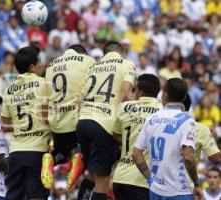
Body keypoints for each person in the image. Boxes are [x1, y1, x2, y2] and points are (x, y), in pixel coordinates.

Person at [76, 41, 136, 200]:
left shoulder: (93, 67)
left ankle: (80, 162)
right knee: (103, 179)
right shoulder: (126, 64)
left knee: (93, 174)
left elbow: (80, 99)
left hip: (83, 122)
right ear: (122, 53)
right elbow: (125, 94)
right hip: (103, 124)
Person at [132, 78, 203, 200]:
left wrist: (150, 179)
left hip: (155, 190)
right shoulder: (187, 120)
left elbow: (136, 153)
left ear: (165, 95)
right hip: (178, 191)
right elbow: (188, 158)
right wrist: (196, 184)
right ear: (184, 97)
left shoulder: (151, 118)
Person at [1, 45, 51, 200]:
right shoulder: (43, 84)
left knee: (13, 196)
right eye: (39, 63)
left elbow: (4, 126)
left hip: (15, 153)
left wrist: (21, 128)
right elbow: (46, 115)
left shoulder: (9, 90)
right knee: (37, 196)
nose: (42, 65)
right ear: (32, 67)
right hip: (37, 151)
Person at [44, 45, 96, 189]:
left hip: (56, 122)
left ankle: (51, 159)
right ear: (83, 53)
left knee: (61, 152)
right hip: (76, 119)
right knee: (92, 156)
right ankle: (80, 160)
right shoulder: (87, 60)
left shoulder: (51, 66)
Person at [113, 74, 162, 200]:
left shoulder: (124, 107)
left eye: (135, 90)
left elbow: (116, 134)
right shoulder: (163, 112)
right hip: (145, 180)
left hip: (121, 178)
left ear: (141, 91)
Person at [183, 94, 221, 164]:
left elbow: (217, 121)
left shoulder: (214, 108)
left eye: (207, 100)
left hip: (210, 128)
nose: (206, 101)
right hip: (202, 129)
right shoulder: (198, 108)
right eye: (204, 99)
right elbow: (195, 119)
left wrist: (214, 129)